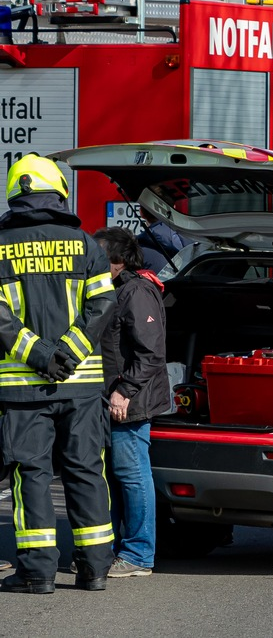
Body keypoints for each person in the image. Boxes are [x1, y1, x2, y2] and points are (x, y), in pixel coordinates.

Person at [0, 155, 116, 593]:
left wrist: (39, 354)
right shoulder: (87, 245)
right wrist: (68, 352)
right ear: (58, 192)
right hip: (81, 385)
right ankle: (95, 570)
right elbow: (103, 307)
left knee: (29, 474)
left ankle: (38, 574)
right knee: (86, 470)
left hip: (20, 387)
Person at [95, 227, 171, 579]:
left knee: (132, 476)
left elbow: (151, 352)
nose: (92, 262)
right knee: (115, 476)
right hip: (114, 397)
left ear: (119, 260)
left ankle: (138, 554)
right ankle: (114, 550)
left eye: (99, 256)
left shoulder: (136, 291)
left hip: (130, 400)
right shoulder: (116, 289)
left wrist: (124, 391)